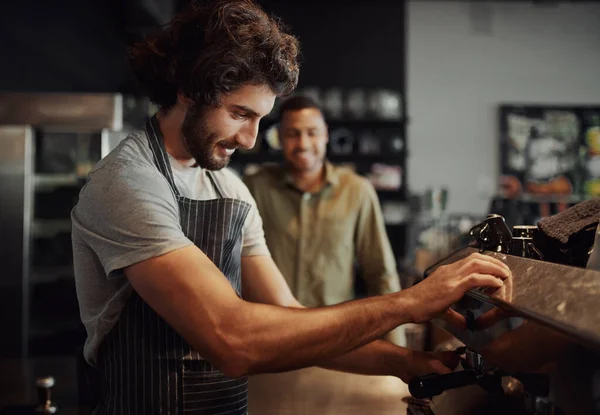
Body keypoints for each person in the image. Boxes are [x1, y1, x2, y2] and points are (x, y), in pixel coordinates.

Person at [71, 1, 511, 414]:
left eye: (260, 119)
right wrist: (410, 303)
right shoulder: (129, 184)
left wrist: (406, 361)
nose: (250, 140)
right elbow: (232, 339)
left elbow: (292, 317)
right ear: (189, 90)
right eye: (240, 113)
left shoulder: (229, 189)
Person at [244, 95, 401, 308]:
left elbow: (381, 273)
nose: (303, 143)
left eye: (312, 132)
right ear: (279, 137)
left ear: (326, 134)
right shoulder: (254, 187)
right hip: (267, 327)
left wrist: (395, 339)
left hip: (333, 331)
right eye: (293, 134)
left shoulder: (356, 190)